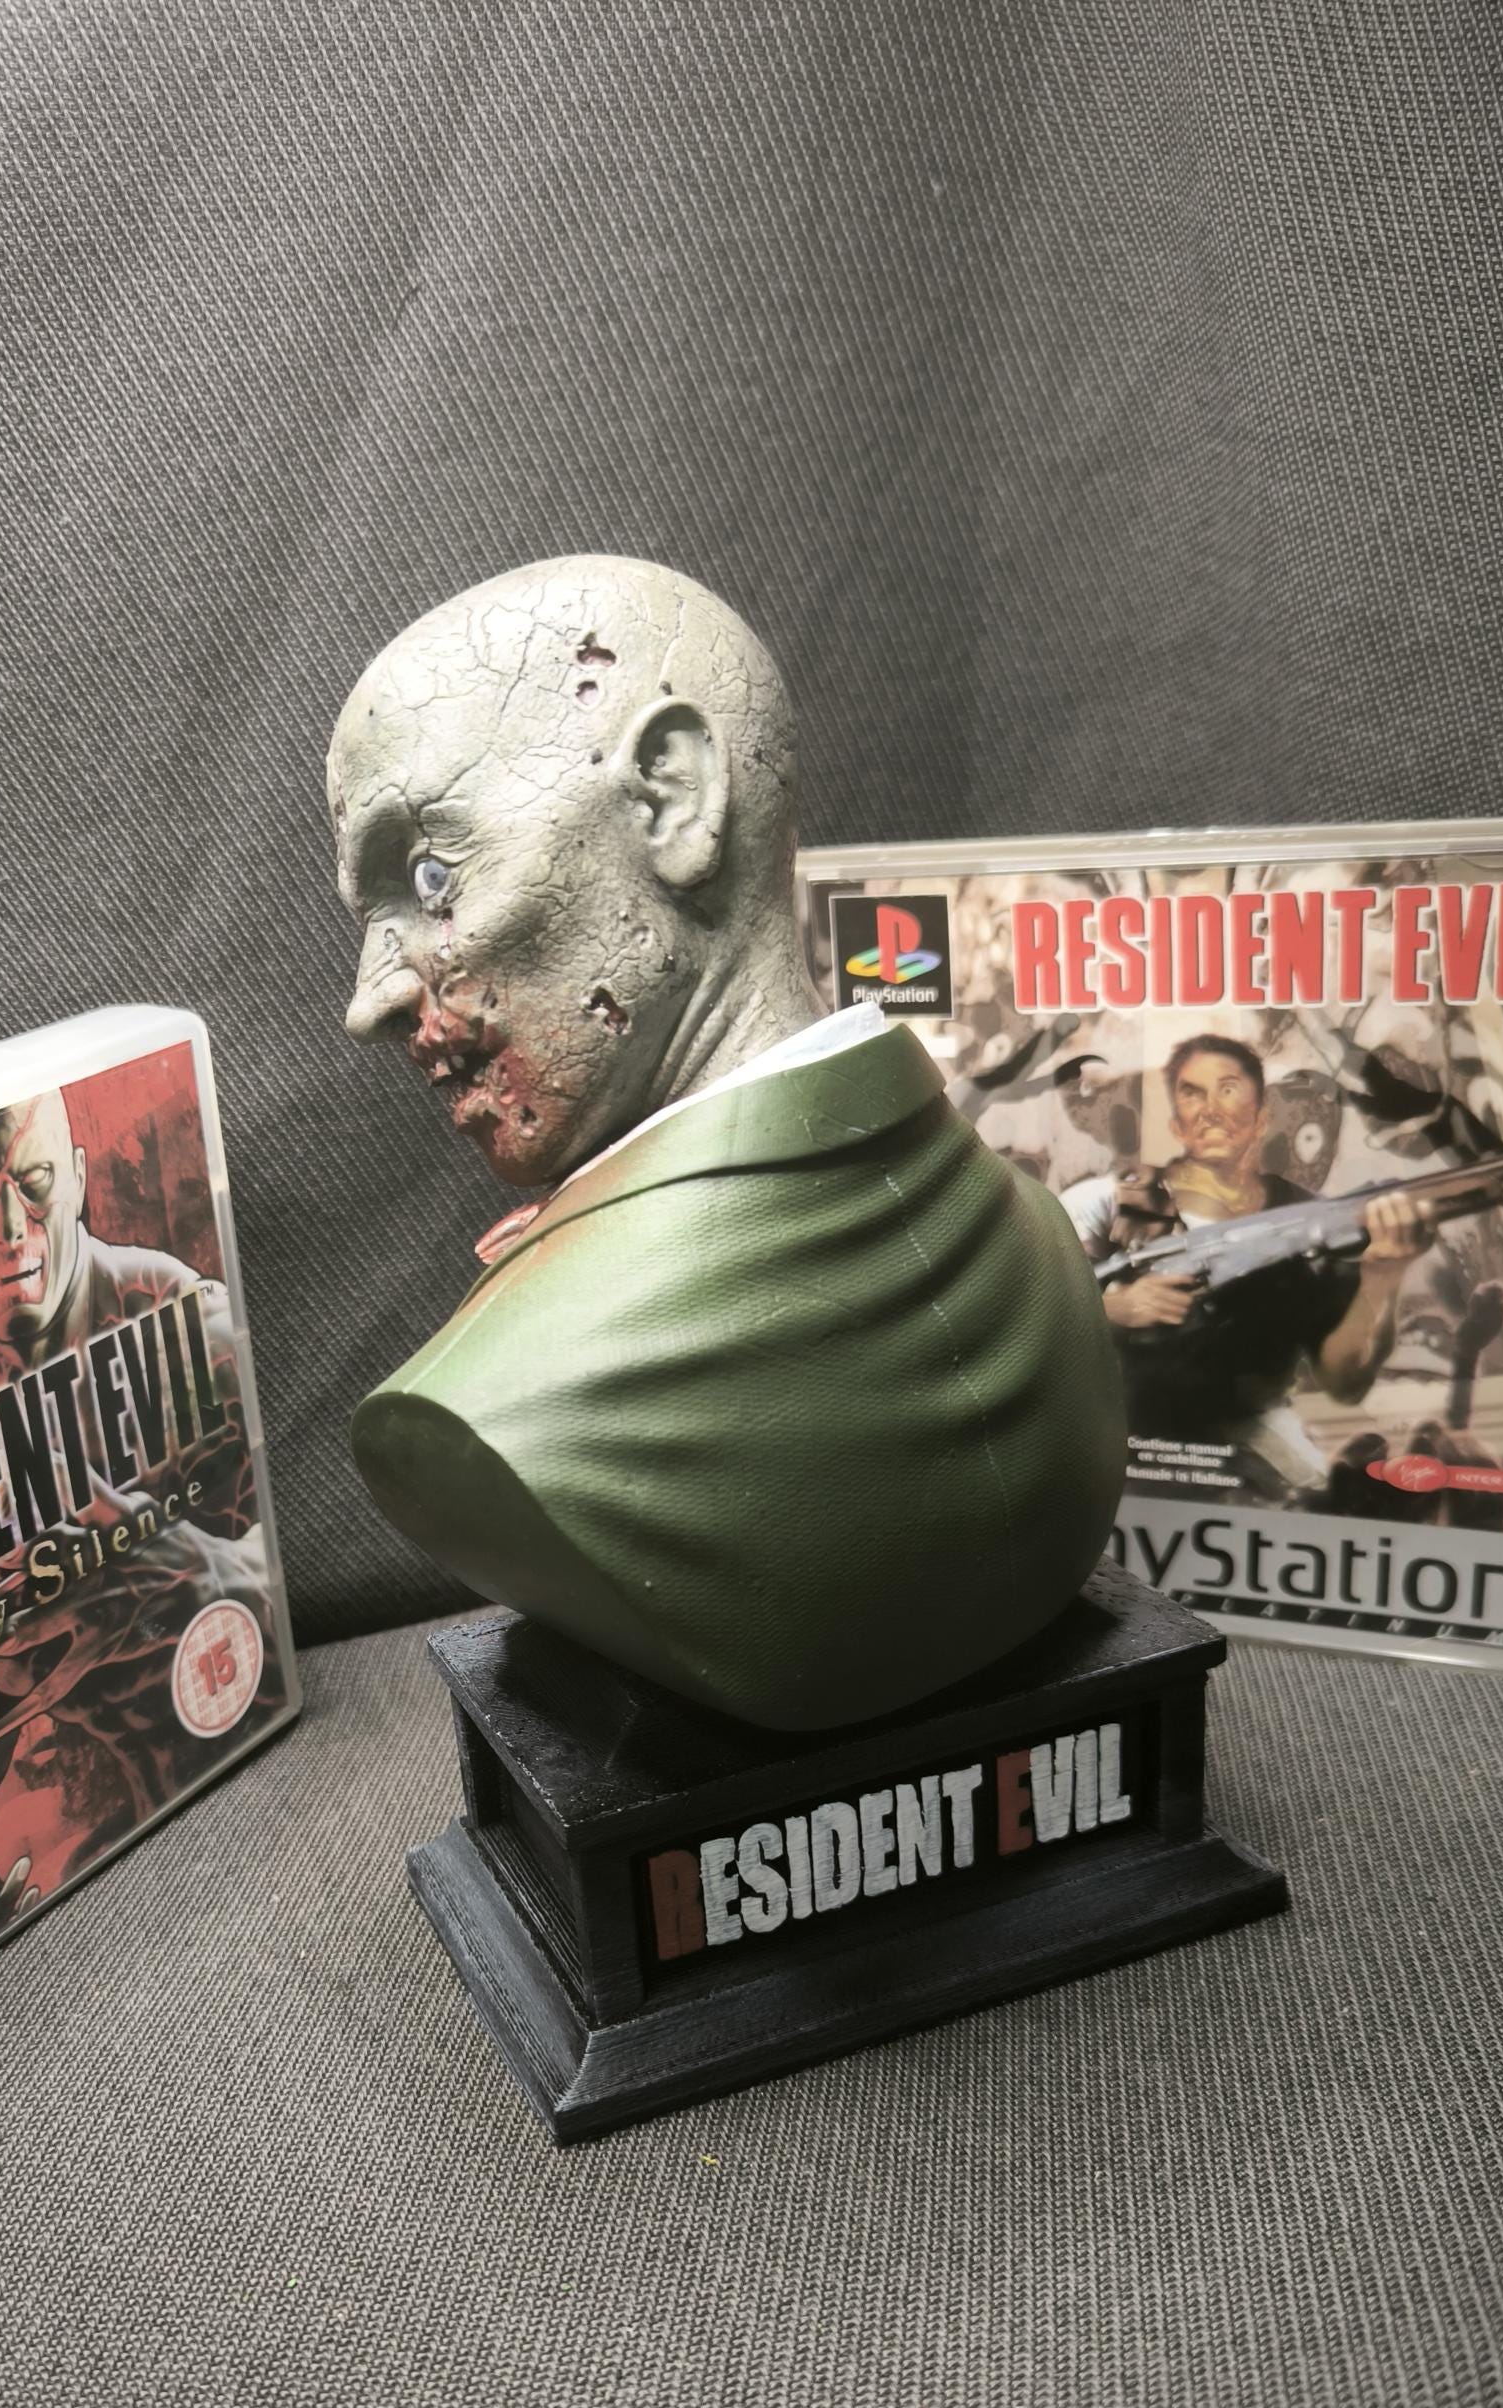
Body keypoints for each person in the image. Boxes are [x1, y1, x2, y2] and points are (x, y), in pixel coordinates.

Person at [328, 555, 1126, 1731]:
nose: (372, 999)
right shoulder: (1044, 1250)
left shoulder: (478, 1413)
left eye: (430, 873)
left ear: (671, 801)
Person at [0, 1092, 269, 1939]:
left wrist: (183, 1569)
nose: (7, 1228)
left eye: (32, 1183)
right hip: (118, 1873)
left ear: (76, 1179)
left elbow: (279, 1582)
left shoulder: (181, 1323)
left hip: (256, 1772)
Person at [1059, 1035, 1437, 1493]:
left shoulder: (1310, 1225)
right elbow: (1028, 1317)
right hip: (1111, 1457)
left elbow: (1345, 1382)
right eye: (1192, 1093)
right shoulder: (1106, 1203)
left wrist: (1384, 1275)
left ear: (1261, 1117)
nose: (1210, 1110)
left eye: (1228, 1089)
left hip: (1245, 1465)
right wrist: (1115, 1309)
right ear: (1177, 1122)